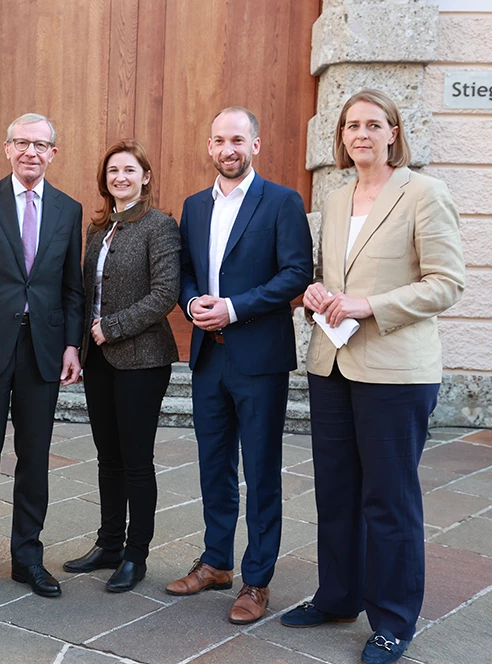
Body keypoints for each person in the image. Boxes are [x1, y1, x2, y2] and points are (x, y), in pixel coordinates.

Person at [279, 90, 465, 664]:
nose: (360, 133)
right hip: (332, 364)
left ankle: (392, 620)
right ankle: (337, 596)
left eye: (372, 125)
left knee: (389, 500)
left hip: (395, 371)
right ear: (341, 137)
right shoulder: (335, 200)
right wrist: (313, 292)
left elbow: (445, 283)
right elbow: (328, 276)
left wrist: (368, 305)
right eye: (350, 125)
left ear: (393, 133)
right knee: (336, 492)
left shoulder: (424, 194)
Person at [169, 107, 313, 624]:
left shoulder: (282, 201)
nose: (228, 149)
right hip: (208, 357)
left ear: (255, 144)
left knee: (261, 470)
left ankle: (257, 579)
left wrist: (233, 307)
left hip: (259, 357)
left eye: (238, 140)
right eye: (219, 140)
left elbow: (297, 273)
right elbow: (186, 270)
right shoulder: (193, 205)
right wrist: (192, 305)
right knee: (214, 466)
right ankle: (215, 562)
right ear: (209, 147)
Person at [0, 113, 84, 603]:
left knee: (35, 459)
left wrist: (72, 344)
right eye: (21, 143)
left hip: (43, 351)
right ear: (7, 149)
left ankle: (28, 558)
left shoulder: (70, 210)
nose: (30, 152)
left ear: (53, 152)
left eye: (40, 144)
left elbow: (73, 288)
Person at [62, 139, 180, 593]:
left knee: (136, 461)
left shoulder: (160, 226)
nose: (120, 178)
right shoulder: (97, 230)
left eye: (129, 170)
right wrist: (78, 343)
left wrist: (112, 326)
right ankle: (108, 543)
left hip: (142, 360)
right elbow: (85, 293)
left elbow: (165, 294)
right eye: (113, 171)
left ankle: (136, 554)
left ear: (145, 176)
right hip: (98, 361)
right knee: (107, 457)